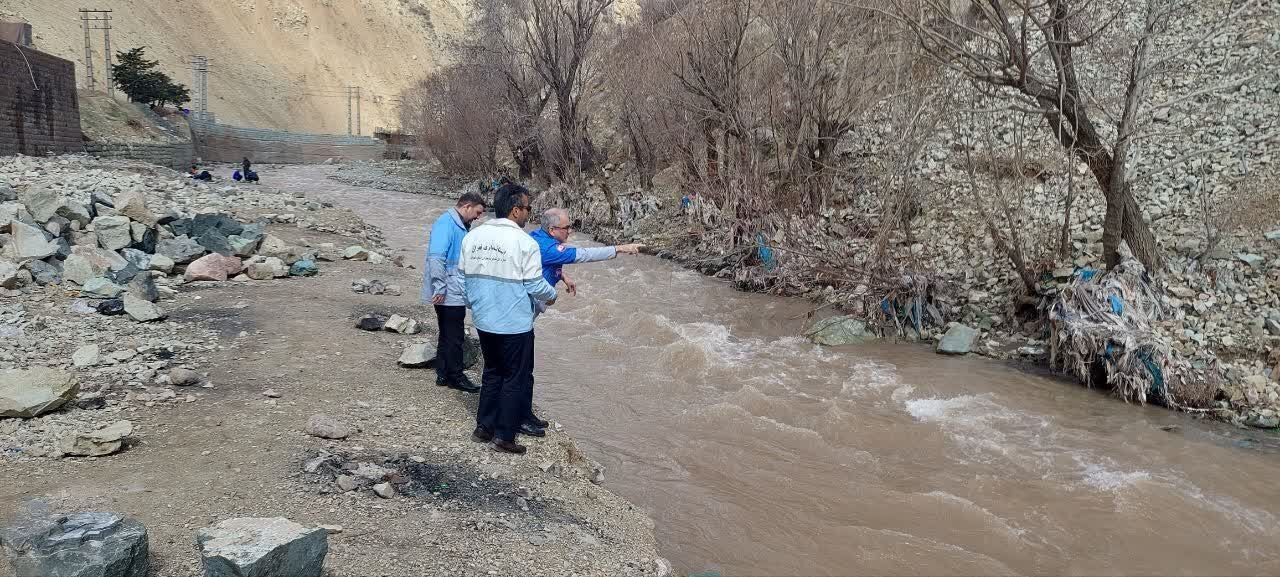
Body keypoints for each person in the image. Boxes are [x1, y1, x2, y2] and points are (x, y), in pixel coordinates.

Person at [523, 207, 642, 429]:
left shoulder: (536, 237)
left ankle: (522, 412)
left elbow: (545, 262)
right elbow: (584, 255)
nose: (570, 231)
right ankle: (520, 416)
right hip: (526, 308)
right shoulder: (549, 247)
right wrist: (620, 248)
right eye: (566, 227)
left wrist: (563, 276)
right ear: (552, 229)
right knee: (521, 365)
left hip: (525, 304)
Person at [461, 183, 556, 455]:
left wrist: (473, 303)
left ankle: (484, 427)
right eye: (528, 208)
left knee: (492, 372)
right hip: (514, 323)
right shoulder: (524, 242)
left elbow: (462, 277)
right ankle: (504, 435)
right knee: (514, 378)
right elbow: (536, 285)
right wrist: (552, 296)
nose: (529, 213)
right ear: (516, 210)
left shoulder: (474, 236)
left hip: (484, 318)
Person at [425, 193, 488, 393]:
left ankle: (443, 373)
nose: (478, 217)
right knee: (454, 335)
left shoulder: (456, 224)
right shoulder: (447, 224)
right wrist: (440, 287)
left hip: (450, 288)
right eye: (477, 212)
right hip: (448, 290)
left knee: (446, 333)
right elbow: (436, 257)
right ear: (467, 206)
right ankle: (456, 376)